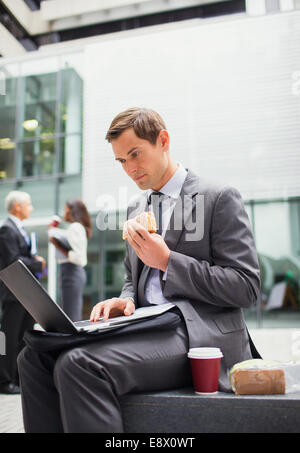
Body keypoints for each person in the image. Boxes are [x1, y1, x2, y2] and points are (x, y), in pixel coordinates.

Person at [18, 107, 261, 432]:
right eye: (121, 161)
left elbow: (246, 286)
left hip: (201, 333)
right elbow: (134, 281)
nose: (130, 168)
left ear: (163, 140)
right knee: (32, 359)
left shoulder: (217, 197)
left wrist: (168, 262)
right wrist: (126, 300)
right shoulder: (137, 206)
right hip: (148, 325)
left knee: (79, 364)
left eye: (135, 154)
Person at [0, 191, 46, 394]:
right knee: (9, 337)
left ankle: (18, 379)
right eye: (28, 204)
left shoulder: (20, 229)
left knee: (24, 335)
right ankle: (4, 381)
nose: (31, 208)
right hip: (12, 292)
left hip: (24, 291)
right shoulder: (6, 230)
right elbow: (13, 261)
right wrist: (37, 264)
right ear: (17, 206)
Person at [49, 199, 92, 321]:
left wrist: (58, 245)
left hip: (71, 271)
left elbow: (79, 257)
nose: (64, 214)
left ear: (73, 212)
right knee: (70, 313)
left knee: (70, 316)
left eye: (66, 210)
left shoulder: (75, 227)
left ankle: (73, 340)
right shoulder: (75, 228)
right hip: (71, 273)